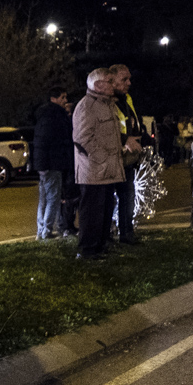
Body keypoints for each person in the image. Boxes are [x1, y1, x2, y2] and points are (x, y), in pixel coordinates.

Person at [72, 68, 124, 261]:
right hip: (93, 171)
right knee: (92, 211)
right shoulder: (87, 106)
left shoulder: (108, 105)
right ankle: (88, 250)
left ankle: (100, 246)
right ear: (98, 85)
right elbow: (82, 137)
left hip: (107, 169)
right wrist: (101, 157)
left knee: (105, 209)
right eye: (110, 81)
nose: (113, 85)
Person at [108, 64, 148, 245]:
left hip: (126, 158)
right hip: (111, 157)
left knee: (127, 196)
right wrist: (125, 139)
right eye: (124, 79)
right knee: (109, 199)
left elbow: (131, 122)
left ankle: (126, 232)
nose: (128, 83)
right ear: (112, 79)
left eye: (129, 79)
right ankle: (108, 234)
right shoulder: (107, 101)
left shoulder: (126, 99)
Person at [32, 86, 73, 240]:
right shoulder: (55, 117)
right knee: (53, 198)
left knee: (44, 198)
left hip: (44, 164)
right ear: (53, 99)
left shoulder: (44, 116)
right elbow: (57, 141)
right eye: (62, 97)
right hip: (53, 164)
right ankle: (46, 231)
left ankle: (41, 229)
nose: (65, 101)